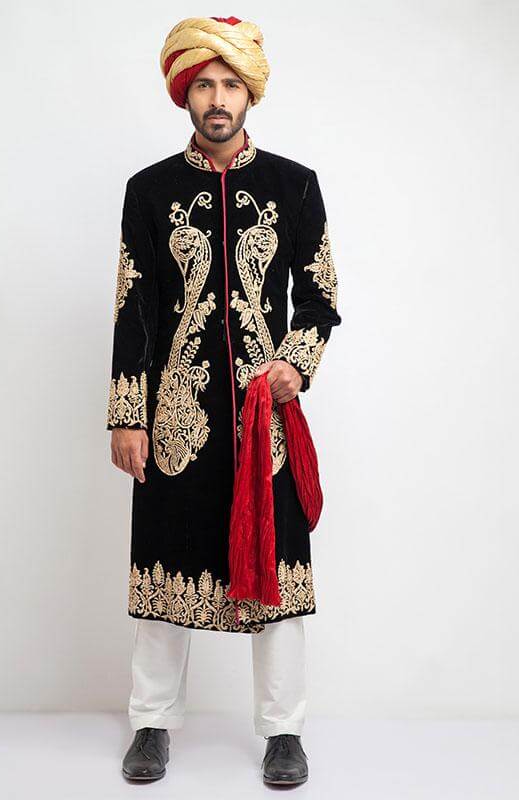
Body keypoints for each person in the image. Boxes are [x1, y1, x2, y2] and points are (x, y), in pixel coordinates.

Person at [106, 16, 341, 785]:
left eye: (229, 84)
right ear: (185, 93)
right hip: (178, 416)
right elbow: (133, 307)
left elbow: (320, 294)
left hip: (262, 420)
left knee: (278, 577)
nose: (217, 98)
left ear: (249, 93)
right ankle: (150, 724)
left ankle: (283, 733)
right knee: (164, 568)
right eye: (203, 84)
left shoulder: (294, 185)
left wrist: (295, 366)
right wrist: (128, 415)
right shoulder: (149, 191)